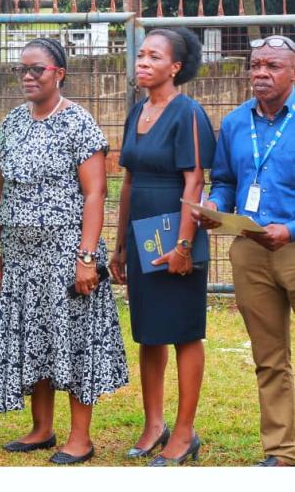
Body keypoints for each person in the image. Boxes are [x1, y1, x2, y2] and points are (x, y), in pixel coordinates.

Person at [0, 37, 127, 464]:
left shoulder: (79, 123)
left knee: (75, 339)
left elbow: (95, 194)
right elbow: (0, 189)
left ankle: (80, 437)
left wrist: (87, 259)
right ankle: (41, 428)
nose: (27, 76)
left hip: (66, 251)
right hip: (21, 254)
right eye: (20, 69)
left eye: (36, 69)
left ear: (59, 73)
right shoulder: (12, 123)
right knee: (35, 336)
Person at [110, 28, 216, 466]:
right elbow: (129, 180)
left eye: (154, 57)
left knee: (184, 332)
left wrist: (184, 247)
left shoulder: (188, 112)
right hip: (140, 235)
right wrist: (118, 246)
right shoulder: (136, 111)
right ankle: (154, 424)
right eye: (141, 54)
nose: (143, 62)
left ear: (175, 67)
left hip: (176, 234)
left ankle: (185, 432)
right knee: (149, 330)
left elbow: (195, 180)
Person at [194, 34, 295, 467]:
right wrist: (216, 206)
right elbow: (226, 181)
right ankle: (282, 452)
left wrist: (289, 230)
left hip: (292, 244)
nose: (260, 74)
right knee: (269, 358)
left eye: (272, 66)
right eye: (255, 65)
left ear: (293, 72)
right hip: (251, 250)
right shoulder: (236, 122)